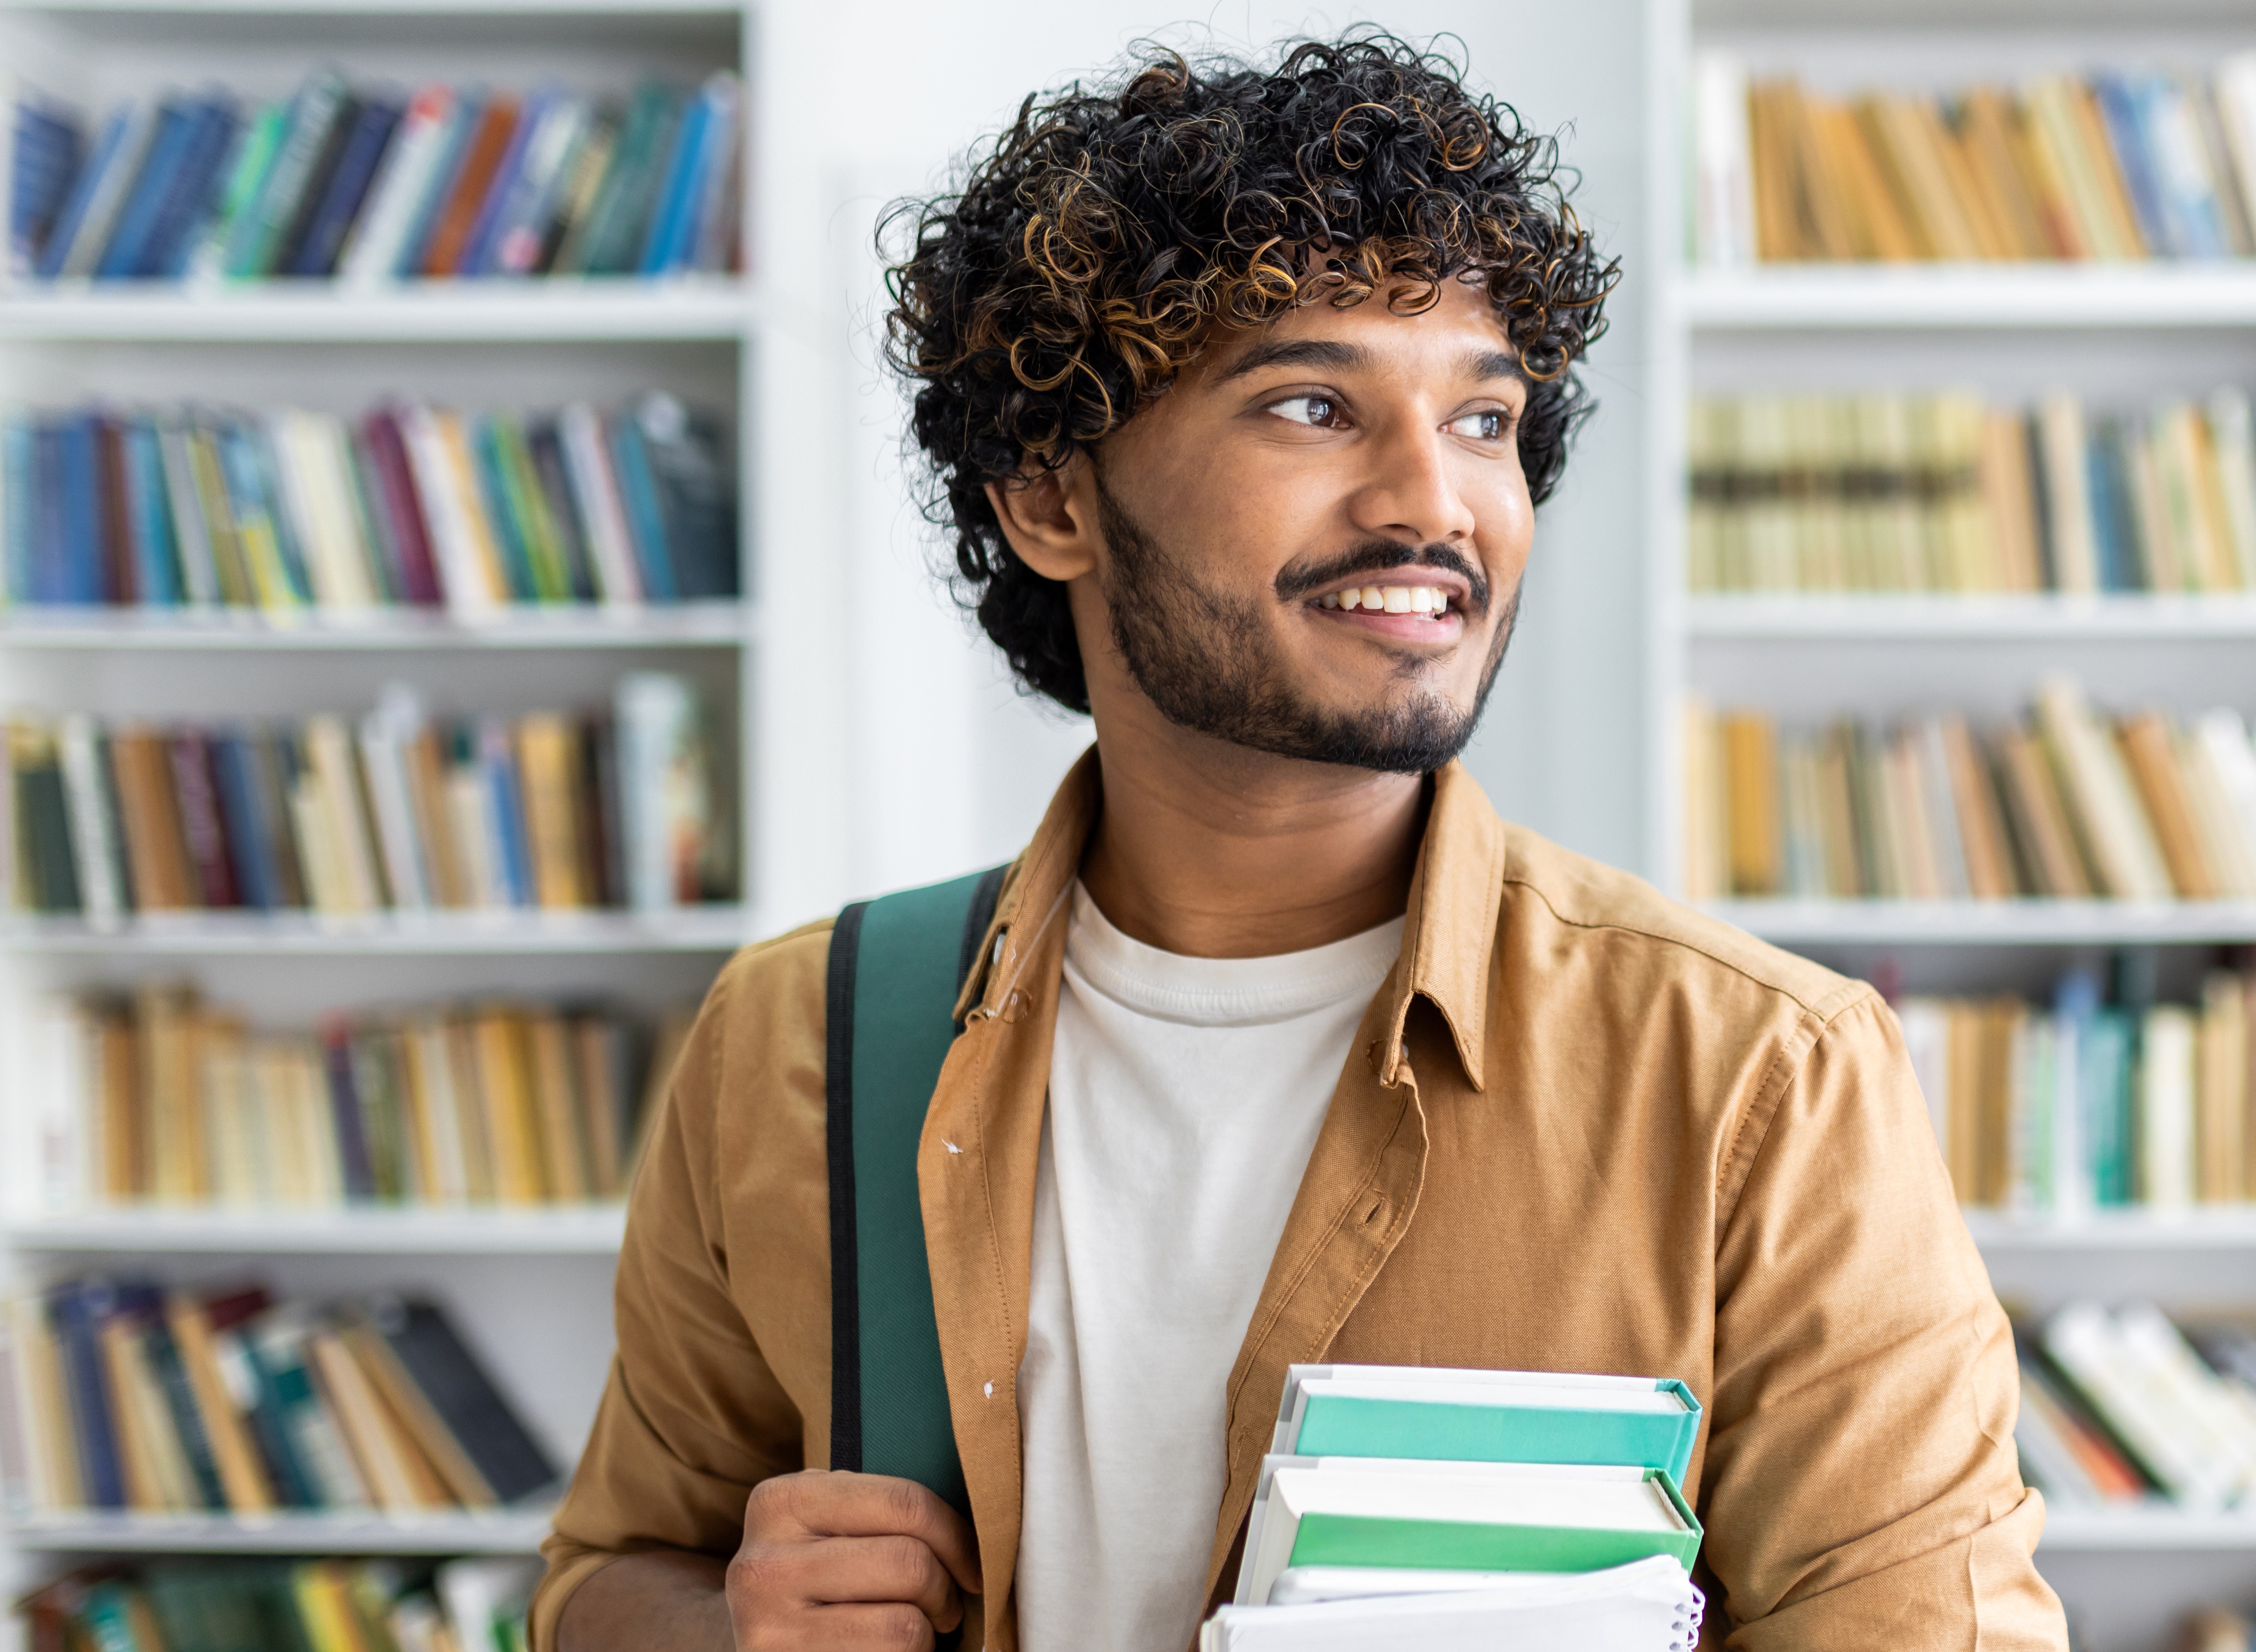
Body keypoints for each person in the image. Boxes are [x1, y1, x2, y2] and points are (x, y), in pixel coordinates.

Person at [533, 31, 2059, 1652]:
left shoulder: (1760, 1078)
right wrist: (724, 1630)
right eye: (1315, 405)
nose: (1436, 502)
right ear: (1051, 501)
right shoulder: (801, 1035)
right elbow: (609, 1576)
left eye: (1486, 421)